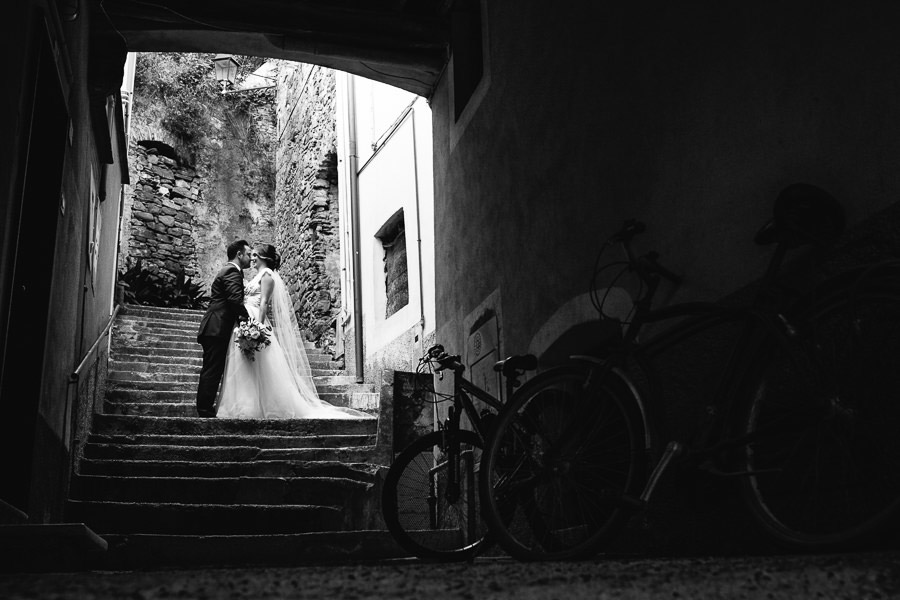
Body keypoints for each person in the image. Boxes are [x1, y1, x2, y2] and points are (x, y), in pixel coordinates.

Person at [216, 243, 367, 419]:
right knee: (246, 365)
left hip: (255, 318)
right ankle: (242, 405)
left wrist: (258, 326)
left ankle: (258, 406)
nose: (253, 258)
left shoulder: (267, 276)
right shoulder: (258, 275)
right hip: (245, 318)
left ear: (264, 258)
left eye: (256, 255)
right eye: (252, 255)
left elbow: (264, 302)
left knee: (257, 364)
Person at [196, 240, 252, 418]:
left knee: (213, 368)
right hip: (216, 327)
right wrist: (249, 322)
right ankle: (204, 411)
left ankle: (205, 408)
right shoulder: (231, 272)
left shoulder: (231, 271)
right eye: (248, 254)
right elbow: (234, 300)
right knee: (213, 369)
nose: (251, 258)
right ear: (239, 254)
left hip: (216, 327)